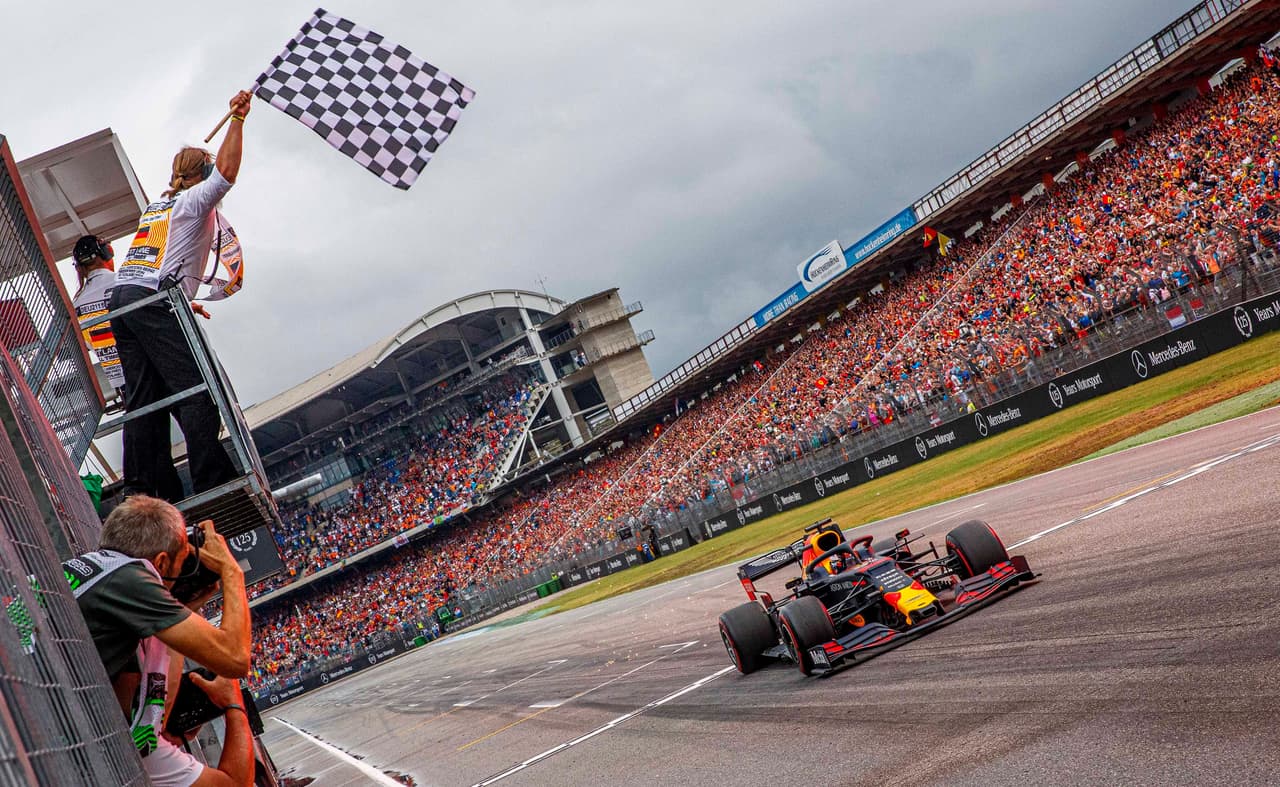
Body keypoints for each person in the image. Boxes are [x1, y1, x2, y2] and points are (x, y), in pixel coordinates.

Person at [109, 90, 252, 502]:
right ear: (199, 175)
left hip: (127, 299)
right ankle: (213, 483)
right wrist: (238, 121)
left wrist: (182, 300)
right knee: (198, 391)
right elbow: (227, 173)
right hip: (153, 301)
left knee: (145, 398)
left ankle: (143, 487)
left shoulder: (160, 205)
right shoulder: (193, 201)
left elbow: (159, 260)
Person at [63, 495, 253, 786]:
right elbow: (236, 659)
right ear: (161, 562)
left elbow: (152, 727)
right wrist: (232, 572)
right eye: (179, 566)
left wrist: (180, 612)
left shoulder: (101, 573)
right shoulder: (131, 579)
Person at [70, 234, 127, 396]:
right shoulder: (124, 280)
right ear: (106, 253)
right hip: (148, 366)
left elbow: (86, 344)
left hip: (120, 382)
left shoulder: (76, 305)